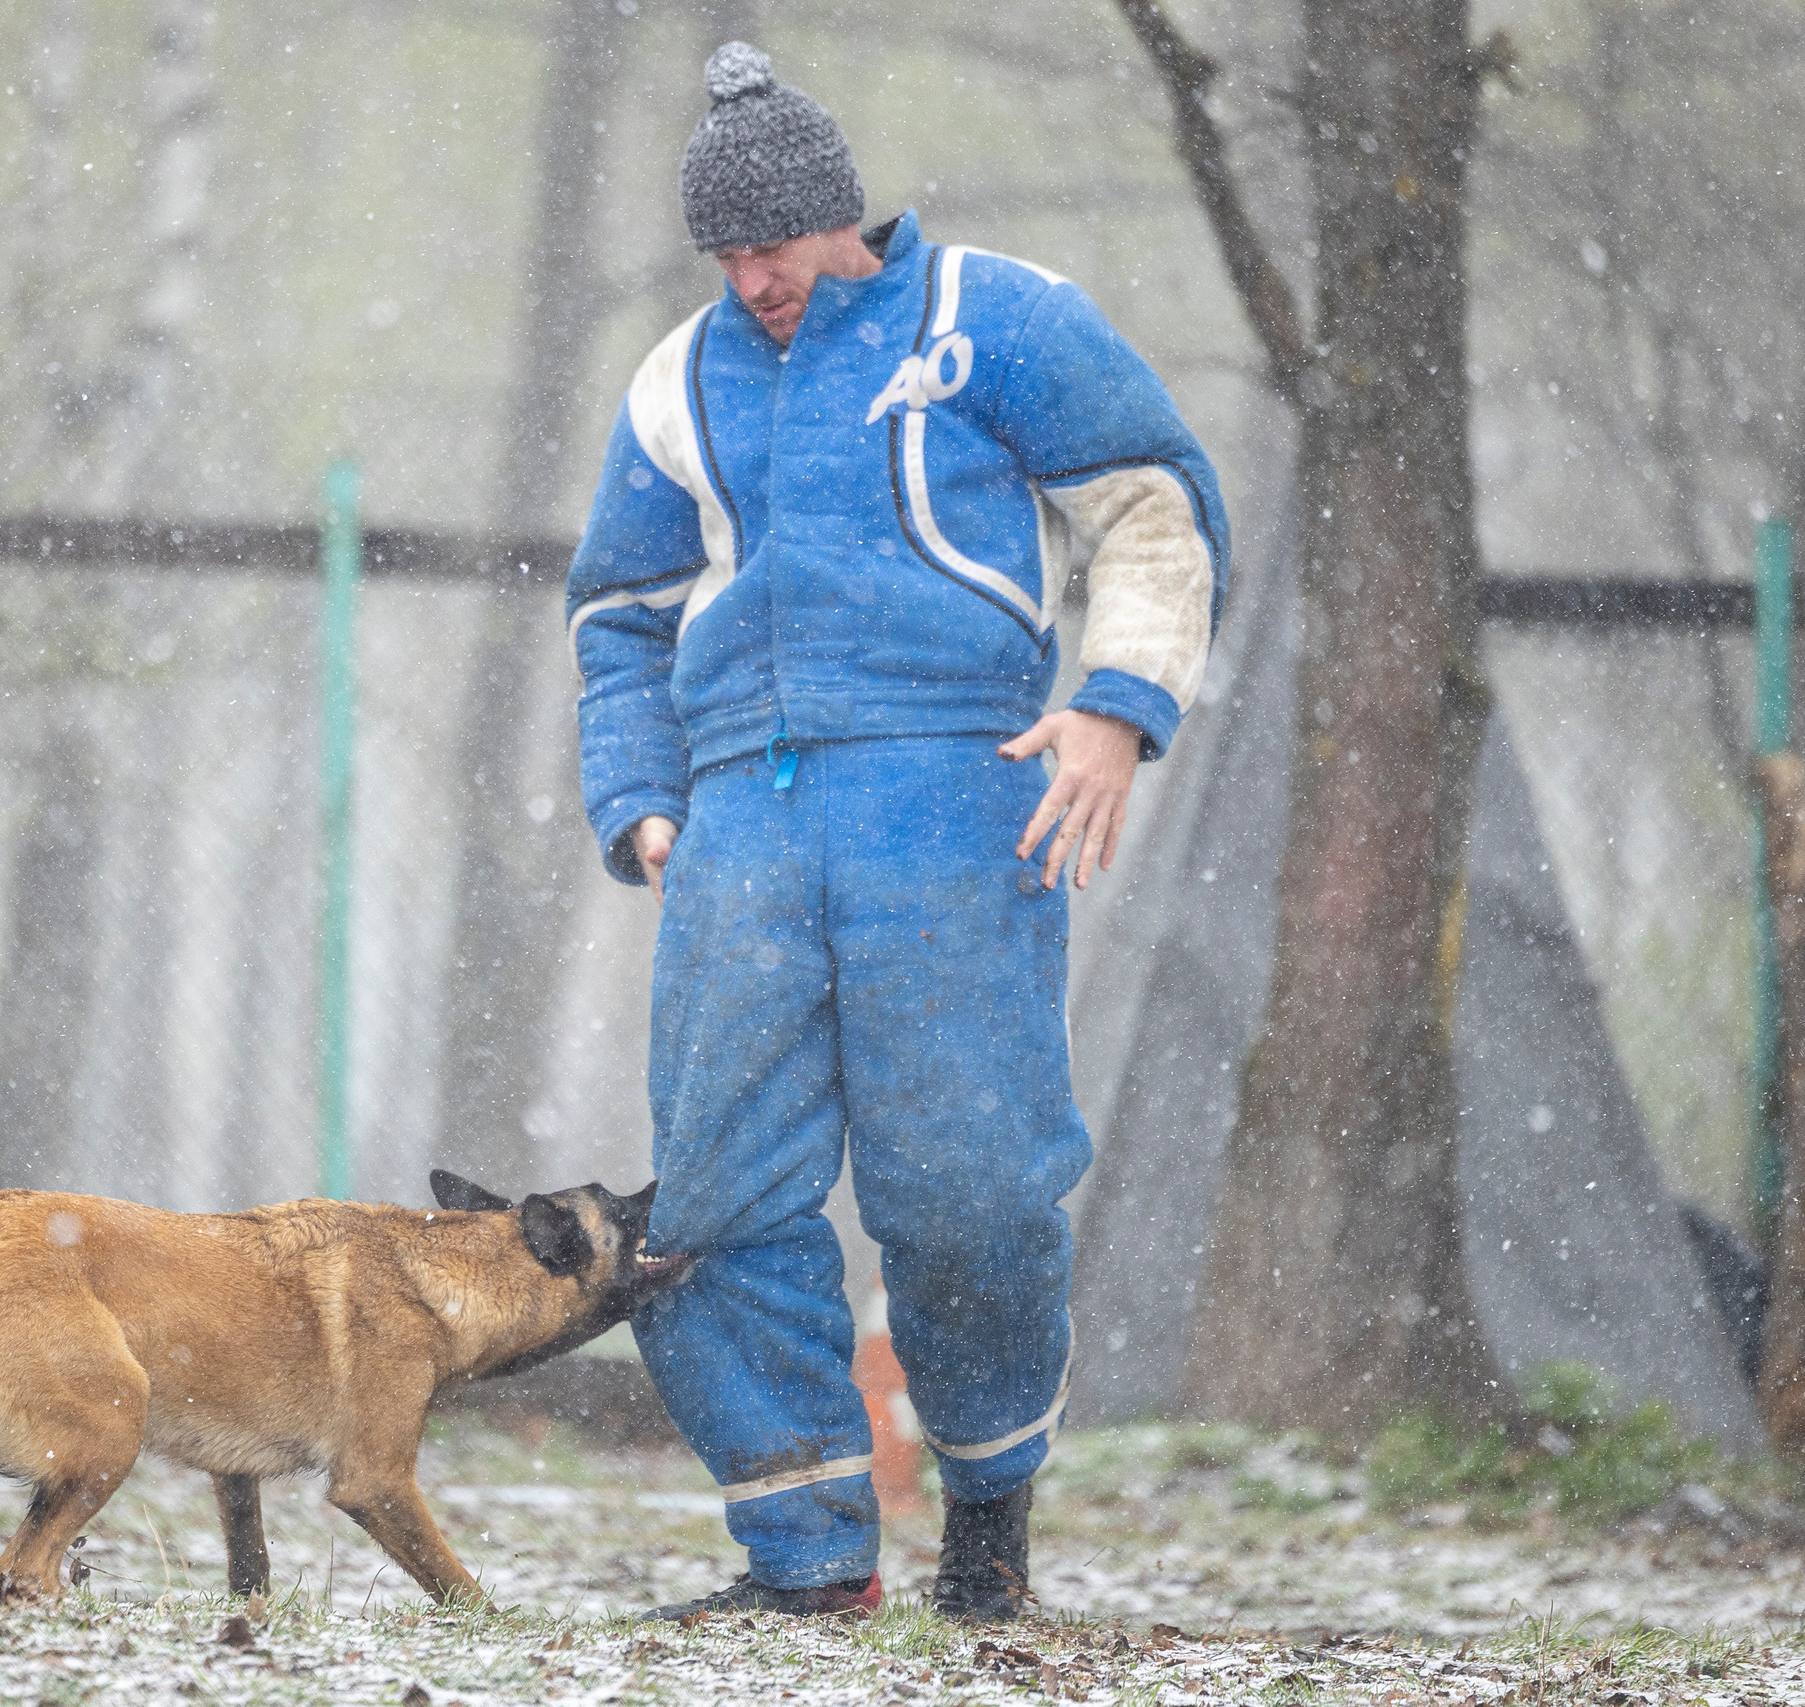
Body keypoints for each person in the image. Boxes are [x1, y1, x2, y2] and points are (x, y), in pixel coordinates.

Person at [567, 43, 1229, 1623]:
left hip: (956, 800)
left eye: (773, 247)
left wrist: (1119, 704)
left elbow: (1152, 506)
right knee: (721, 1200)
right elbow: (621, 613)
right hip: (739, 825)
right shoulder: (674, 381)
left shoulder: (1000, 320)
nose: (753, 280)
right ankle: (803, 1565)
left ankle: (988, 1526)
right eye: (725, 257)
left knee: (974, 1189)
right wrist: (641, 800)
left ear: (838, 216)